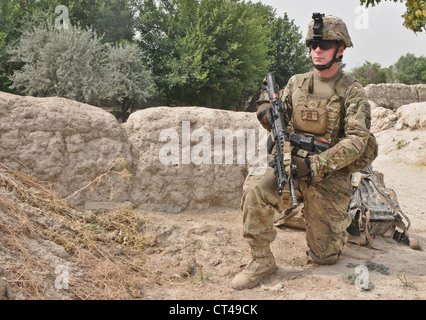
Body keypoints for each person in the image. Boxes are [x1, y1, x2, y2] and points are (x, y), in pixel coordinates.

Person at [231, 13, 372, 290]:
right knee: (255, 186)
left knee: (325, 258)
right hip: (288, 163)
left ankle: (333, 220)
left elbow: (357, 141)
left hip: (328, 176)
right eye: (313, 45)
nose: (317, 51)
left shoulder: (352, 92)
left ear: (340, 49)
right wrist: (264, 113)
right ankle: (261, 260)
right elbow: (276, 114)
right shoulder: (296, 83)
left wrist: (315, 166)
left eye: (325, 45)